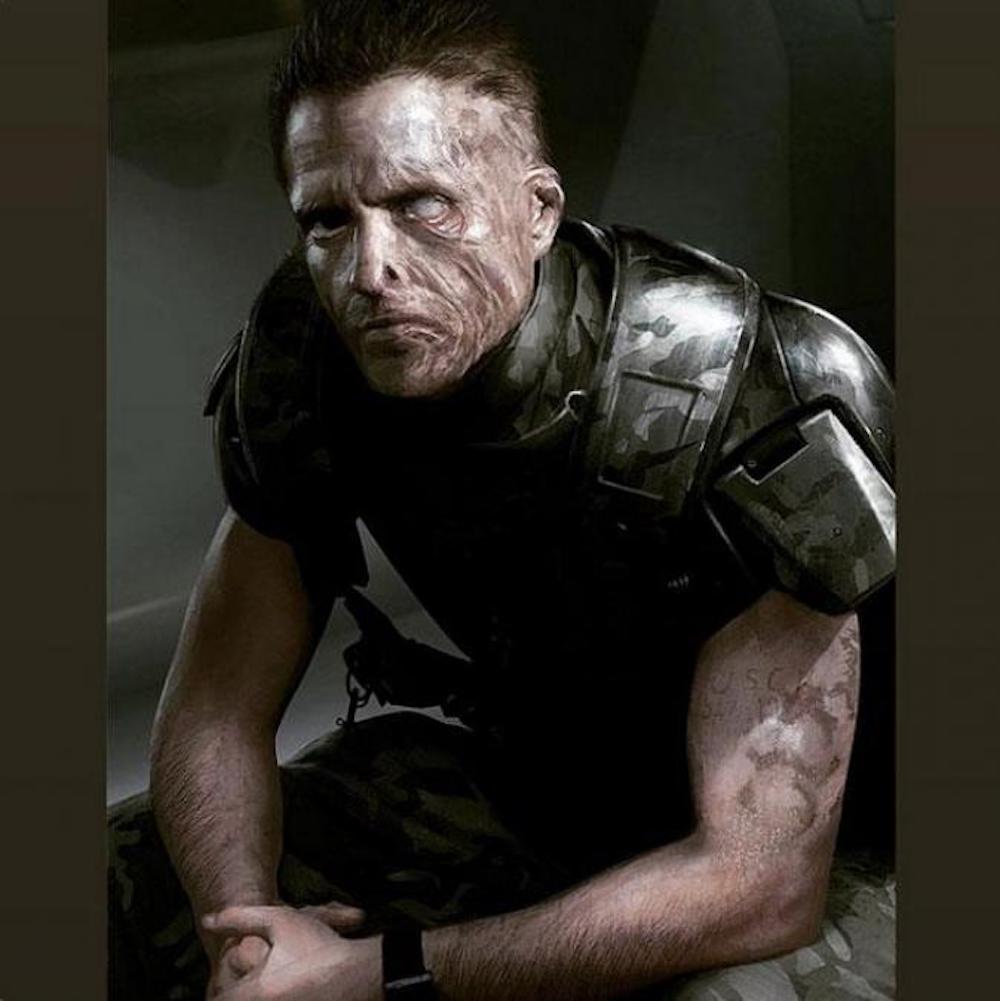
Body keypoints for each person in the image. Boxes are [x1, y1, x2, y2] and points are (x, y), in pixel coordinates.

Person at [108, 2, 896, 999]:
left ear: (538, 210)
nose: (371, 271)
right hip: (550, 790)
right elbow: (218, 707)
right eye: (327, 220)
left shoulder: (750, 391)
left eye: (424, 206)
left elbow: (761, 881)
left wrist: (372, 973)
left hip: (835, 851)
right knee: (127, 868)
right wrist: (246, 930)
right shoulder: (307, 359)